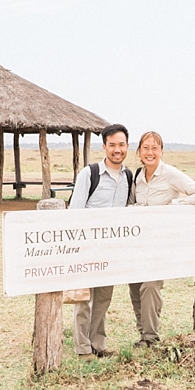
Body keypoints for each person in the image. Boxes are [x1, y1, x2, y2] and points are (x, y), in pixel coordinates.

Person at [128, 131, 195, 347]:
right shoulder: (137, 175)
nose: (150, 152)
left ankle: (151, 337)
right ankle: (143, 334)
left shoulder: (170, 174)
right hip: (139, 243)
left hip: (161, 244)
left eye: (155, 148)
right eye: (145, 148)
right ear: (139, 152)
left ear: (161, 151)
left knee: (150, 287)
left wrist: (173, 205)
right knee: (135, 287)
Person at [68, 123, 134, 360]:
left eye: (122, 144)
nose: (117, 149)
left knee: (104, 298)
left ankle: (98, 343)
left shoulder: (128, 176)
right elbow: (75, 211)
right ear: (104, 146)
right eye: (112, 145)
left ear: (127, 146)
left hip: (112, 250)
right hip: (87, 247)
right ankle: (83, 348)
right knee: (83, 299)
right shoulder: (90, 174)